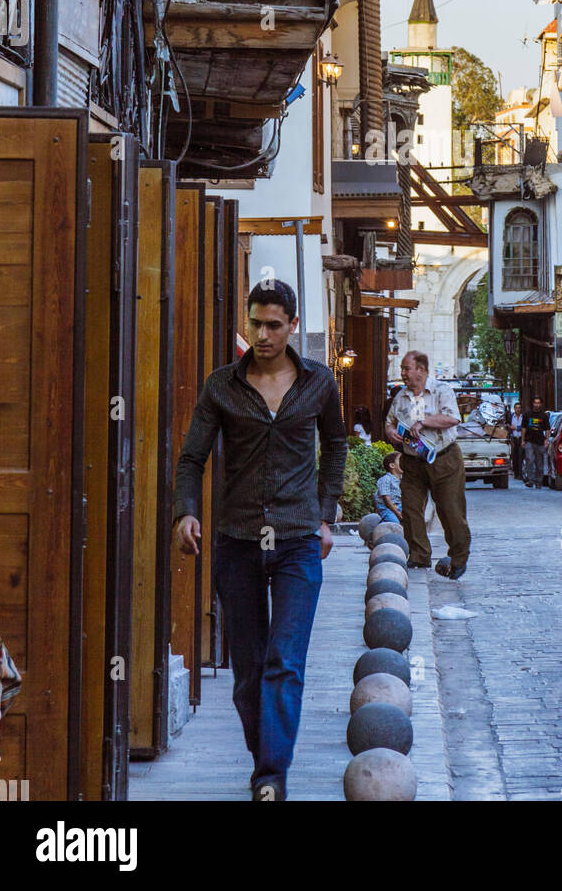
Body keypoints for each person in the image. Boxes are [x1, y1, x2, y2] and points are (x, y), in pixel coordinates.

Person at [173, 279, 347, 801]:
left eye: (274, 324)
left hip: (297, 540)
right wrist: (185, 514)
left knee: (284, 663)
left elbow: (335, 445)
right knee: (248, 672)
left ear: (293, 325)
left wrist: (325, 515)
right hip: (238, 541)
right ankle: (265, 759)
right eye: (256, 324)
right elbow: (190, 459)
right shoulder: (221, 386)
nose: (263, 334)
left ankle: (271, 775)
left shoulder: (318, 383)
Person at [385, 351, 470, 579]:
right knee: (411, 507)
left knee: (450, 509)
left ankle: (459, 558)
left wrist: (424, 422)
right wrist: (392, 432)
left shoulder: (442, 391)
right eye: (402, 369)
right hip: (413, 460)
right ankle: (419, 555)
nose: (402, 373)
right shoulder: (401, 396)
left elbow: (452, 418)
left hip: (444, 458)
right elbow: (389, 422)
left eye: (406, 368)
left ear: (421, 370)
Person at [522, 396, 550, 488]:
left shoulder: (544, 416)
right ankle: (530, 480)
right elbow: (523, 428)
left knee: (539, 462)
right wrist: (522, 440)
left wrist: (546, 440)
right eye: (535, 403)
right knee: (529, 459)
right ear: (533, 404)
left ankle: (539, 481)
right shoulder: (527, 414)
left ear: (541, 404)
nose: (537, 405)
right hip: (529, 440)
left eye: (538, 403)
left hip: (540, 442)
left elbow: (547, 429)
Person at [374, 451, 403, 523]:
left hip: (399, 505)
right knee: (395, 522)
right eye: (401, 460)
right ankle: (380, 527)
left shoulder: (403, 479)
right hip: (386, 507)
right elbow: (386, 500)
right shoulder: (386, 479)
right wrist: (397, 513)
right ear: (392, 465)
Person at [509, 400, 524, 480]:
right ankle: (516, 473)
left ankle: (521, 473)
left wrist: (517, 428)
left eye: (519, 408)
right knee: (514, 457)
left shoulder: (523, 417)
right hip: (514, 439)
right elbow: (508, 426)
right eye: (516, 408)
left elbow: (524, 427)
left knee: (521, 456)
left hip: (521, 438)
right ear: (514, 409)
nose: (518, 409)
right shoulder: (511, 417)